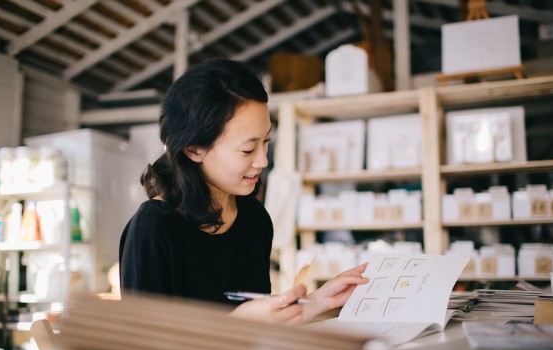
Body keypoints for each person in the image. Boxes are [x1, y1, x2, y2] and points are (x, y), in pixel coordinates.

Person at [119, 58, 368, 324]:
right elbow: (144, 349)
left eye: (266, 142)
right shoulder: (154, 227)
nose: (262, 161)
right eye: (248, 149)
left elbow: (262, 330)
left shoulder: (254, 218)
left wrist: (319, 301)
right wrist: (237, 325)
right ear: (194, 149)